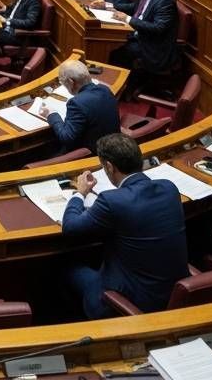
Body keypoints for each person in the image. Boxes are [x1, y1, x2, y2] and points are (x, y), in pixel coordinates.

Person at [62, 133, 188, 319]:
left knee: (66, 269)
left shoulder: (113, 201)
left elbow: (71, 227)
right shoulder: (169, 188)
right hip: (172, 291)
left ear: (110, 167)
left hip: (133, 300)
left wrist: (80, 193)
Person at [108, 0, 179, 76]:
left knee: (116, 50)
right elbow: (135, 7)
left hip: (153, 47)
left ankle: (124, 84)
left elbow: (158, 28)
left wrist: (127, 19)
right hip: (139, 35)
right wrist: (109, 6)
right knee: (110, 39)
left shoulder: (165, 0)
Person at [36, 61, 120, 153]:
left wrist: (51, 114)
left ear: (71, 82)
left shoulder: (76, 103)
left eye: (63, 82)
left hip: (94, 153)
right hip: (113, 145)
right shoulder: (105, 89)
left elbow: (66, 138)